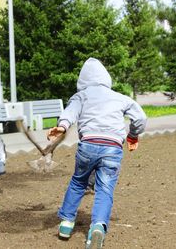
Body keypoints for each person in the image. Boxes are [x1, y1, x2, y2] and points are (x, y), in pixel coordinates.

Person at [47, 57, 147, 249]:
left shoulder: (81, 96)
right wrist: (133, 135)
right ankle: (98, 227)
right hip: (113, 148)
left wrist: (62, 126)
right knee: (105, 189)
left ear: (81, 81)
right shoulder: (120, 97)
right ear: (106, 78)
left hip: (88, 145)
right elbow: (140, 118)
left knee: (78, 182)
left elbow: (70, 112)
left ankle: (66, 224)